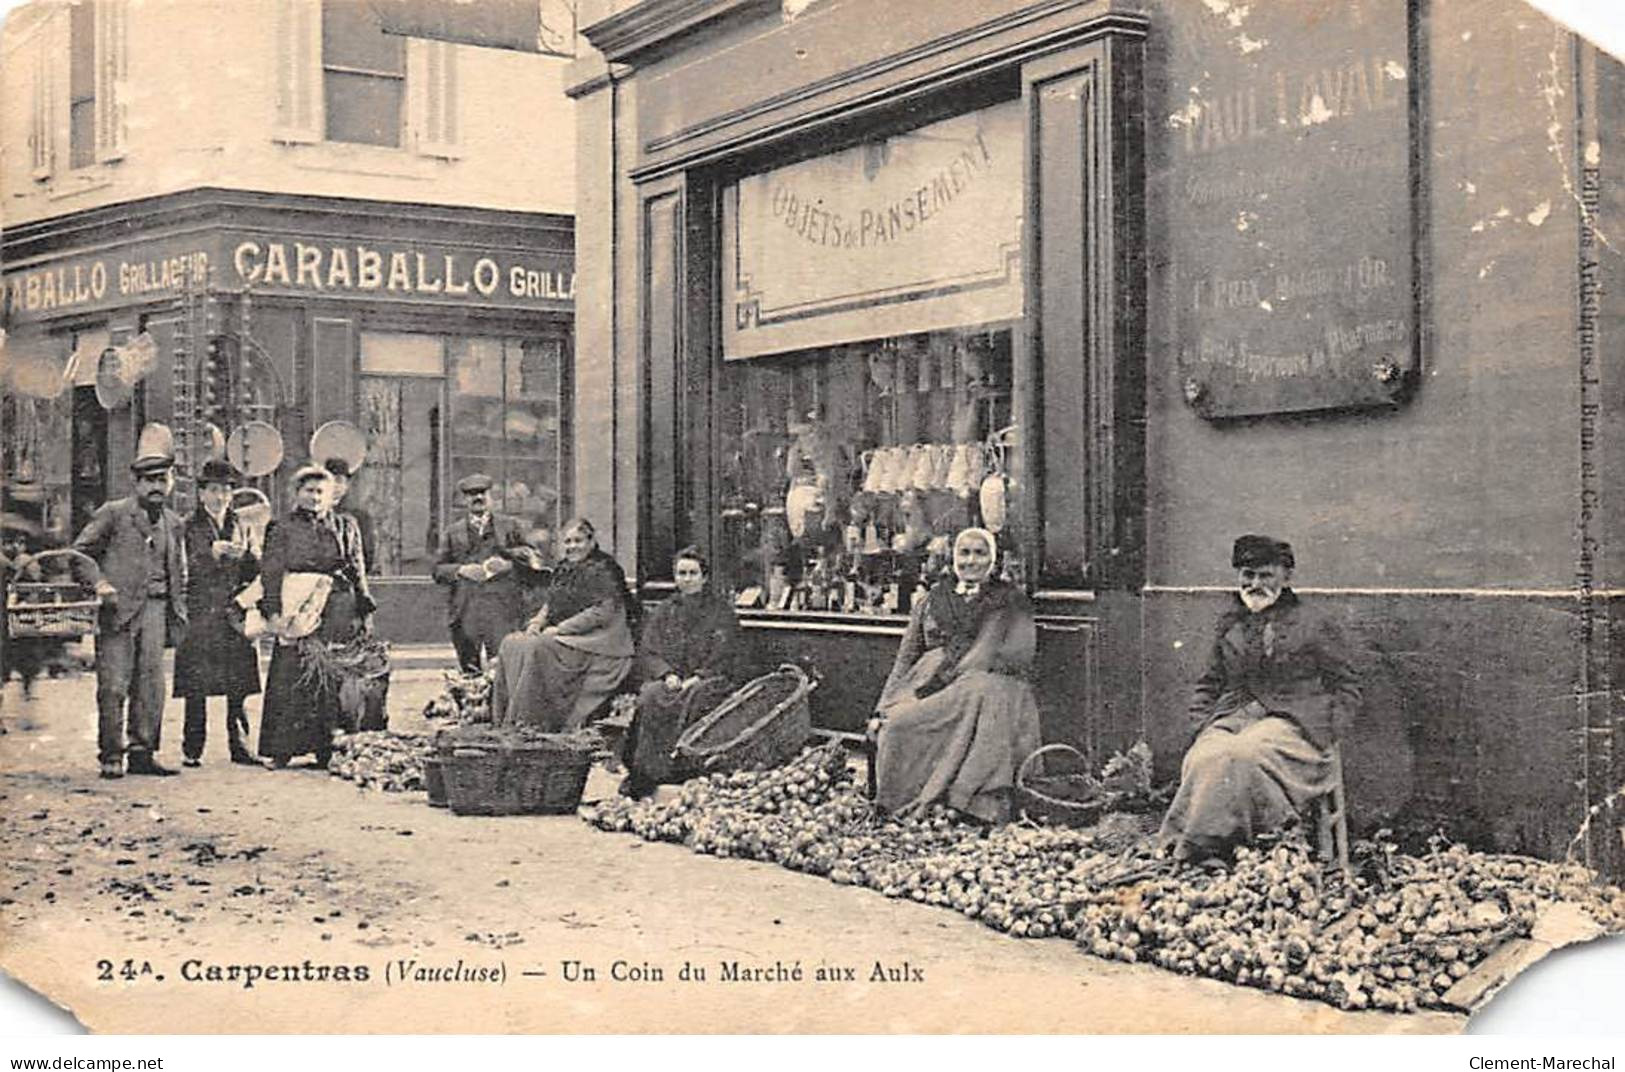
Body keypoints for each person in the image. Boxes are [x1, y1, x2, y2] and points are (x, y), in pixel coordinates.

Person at [1157, 535, 1362, 863]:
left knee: (1245, 754)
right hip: (1235, 714)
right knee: (1205, 755)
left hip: (1295, 721)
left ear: (1286, 577)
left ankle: (1254, 843)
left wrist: (1328, 729)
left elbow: (1347, 685)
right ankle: (1207, 846)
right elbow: (1209, 683)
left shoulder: (1313, 623)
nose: (1255, 584)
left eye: (1265, 575)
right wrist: (1201, 724)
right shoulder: (1229, 624)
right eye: (1247, 575)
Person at [871, 527, 1041, 823]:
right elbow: (906, 657)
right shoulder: (933, 599)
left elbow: (1018, 654)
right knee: (895, 724)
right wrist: (882, 705)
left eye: (980, 553)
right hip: (926, 685)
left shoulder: (1009, 601)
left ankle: (954, 801)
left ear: (993, 559)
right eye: (964, 553)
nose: (971, 561)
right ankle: (900, 803)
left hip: (974, 690)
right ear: (953, 557)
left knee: (916, 721)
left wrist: (963, 674)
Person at [72, 451, 189, 778]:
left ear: (171, 483)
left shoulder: (173, 522)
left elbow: (178, 568)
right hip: (118, 612)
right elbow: (79, 554)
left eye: (162, 480)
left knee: (151, 686)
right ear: (136, 483)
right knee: (113, 685)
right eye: (150, 480)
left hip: (157, 609)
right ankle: (111, 755)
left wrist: (178, 607)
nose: (157, 487)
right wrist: (100, 584)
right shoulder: (113, 514)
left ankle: (143, 752)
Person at [256, 464, 375, 769]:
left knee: (333, 675)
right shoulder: (281, 528)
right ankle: (282, 749)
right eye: (308, 491)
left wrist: (364, 609)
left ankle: (327, 748)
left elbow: (357, 568)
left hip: (337, 607)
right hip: (297, 605)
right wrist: (272, 611)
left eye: (321, 491)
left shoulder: (346, 525)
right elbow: (270, 571)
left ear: (331, 494)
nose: (315, 497)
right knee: (292, 674)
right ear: (297, 494)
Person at [618, 546, 744, 798]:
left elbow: (727, 651)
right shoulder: (665, 610)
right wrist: (667, 674)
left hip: (710, 678)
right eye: (681, 573)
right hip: (673, 678)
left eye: (692, 573)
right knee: (651, 696)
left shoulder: (720, 612)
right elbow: (650, 649)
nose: (686, 579)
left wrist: (699, 675)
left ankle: (677, 769)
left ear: (704, 577)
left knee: (695, 697)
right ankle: (647, 771)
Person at [492, 518, 634, 731]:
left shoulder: (604, 568)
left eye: (578, 541)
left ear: (591, 541)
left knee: (540, 646)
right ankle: (506, 720)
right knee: (512, 642)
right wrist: (537, 622)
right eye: (567, 542)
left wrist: (560, 629)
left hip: (600, 640)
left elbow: (602, 612)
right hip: (573, 635)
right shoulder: (565, 567)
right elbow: (552, 602)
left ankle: (532, 722)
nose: (572, 547)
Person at [172, 460, 262, 767]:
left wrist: (248, 556)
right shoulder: (187, 526)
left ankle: (240, 746)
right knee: (195, 685)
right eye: (213, 490)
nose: (220, 497)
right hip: (200, 612)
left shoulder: (242, 523)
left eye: (226, 491)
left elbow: (255, 567)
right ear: (200, 494)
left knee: (238, 683)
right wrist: (210, 554)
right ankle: (192, 748)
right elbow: (181, 568)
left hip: (234, 612)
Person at [432, 474, 529, 674]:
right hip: (466, 609)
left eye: (482, 493)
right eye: (471, 494)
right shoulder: (452, 532)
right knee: (469, 669)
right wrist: (461, 570)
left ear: (490, 496)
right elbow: (437, 570)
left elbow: (533, 559)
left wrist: (508, 565)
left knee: (505, 667)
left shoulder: (510, 526)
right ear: (464, 500)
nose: (478, 498)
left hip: (502, 608)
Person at [321, 458, 376, 575]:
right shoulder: (312, 514)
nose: (334, 486)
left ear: (347, 485)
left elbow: (367, 556)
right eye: (329, 481)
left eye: (339, 481)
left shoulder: (360, 518)